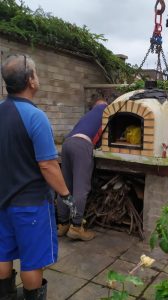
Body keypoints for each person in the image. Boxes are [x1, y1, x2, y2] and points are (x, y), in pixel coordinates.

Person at [0, 54, 72, 300]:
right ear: (31, 81)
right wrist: (66, 194)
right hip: (30, 204)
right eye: (36, 74)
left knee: (3, 252)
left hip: (2, 198)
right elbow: (48, 165)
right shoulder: (35, 117)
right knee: (32, 260)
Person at [56, 96, 107, 241]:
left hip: (68, 144)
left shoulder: (87, 115)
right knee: (81, 189)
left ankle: (62, 224)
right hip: (82, 146)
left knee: (65, 186)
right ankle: (76, 227)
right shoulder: (106, 109)